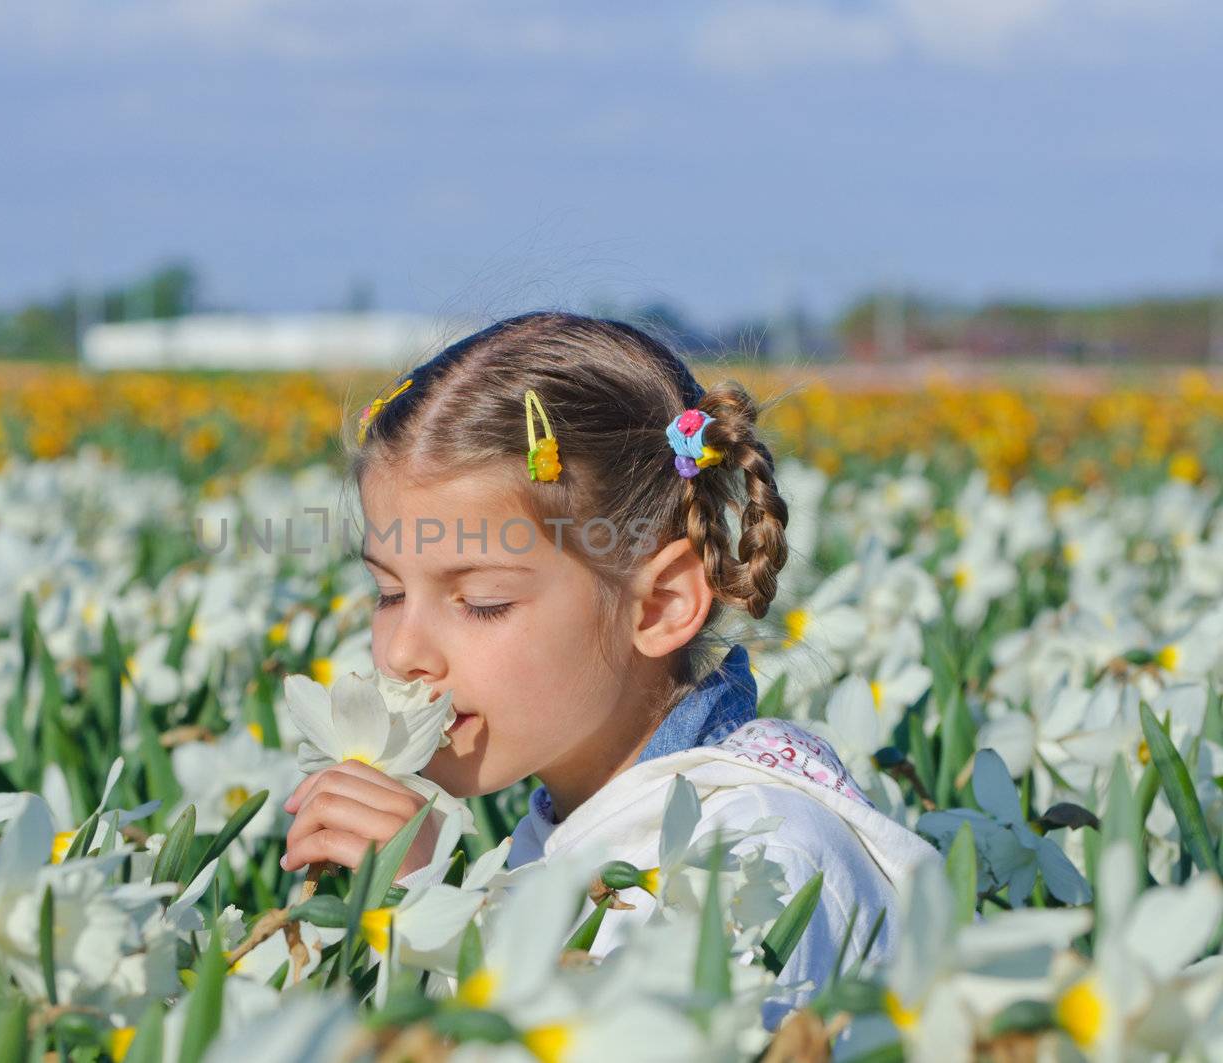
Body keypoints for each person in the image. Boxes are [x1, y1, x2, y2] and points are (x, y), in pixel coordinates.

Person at [278, 310, 937, 1023]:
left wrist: (438, 914)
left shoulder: (762, 860)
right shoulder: (566, 830)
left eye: (483, 601)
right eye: (389, 592)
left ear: (658, 605)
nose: (403, 653)